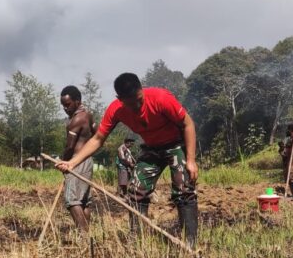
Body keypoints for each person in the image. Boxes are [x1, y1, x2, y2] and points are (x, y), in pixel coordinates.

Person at [56, 73, 199, 247]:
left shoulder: (161, 98)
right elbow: (98, 139)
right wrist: (72, 162)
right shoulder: (116, 109)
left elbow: (188, 124)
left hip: (175, 144)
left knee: (184, 189)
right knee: (136, 190)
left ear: (141, 90)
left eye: (139, 100)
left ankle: (190, 243)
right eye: (131, 103)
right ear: (120, 99)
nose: (137, 106)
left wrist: (191, 160)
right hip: (152, 148)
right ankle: (137, 242)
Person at [60, 85, 97, 230]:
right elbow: (97, 134)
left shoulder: (76, 120)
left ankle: (83, 235)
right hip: (87, 160)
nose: (65, 108)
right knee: (84, 200)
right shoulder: (88, 116)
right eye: (63, 106)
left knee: (72, 199)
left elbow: (70, 147)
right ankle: (86, 235)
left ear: (77, 101)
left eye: (68, 105)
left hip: (76, 161)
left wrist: (64, 162)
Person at [278, 124, 293, 199]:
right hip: (287, 161)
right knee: (289, 178)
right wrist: (281, 147)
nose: (288, 131)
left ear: (292, 130)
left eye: (289, 129)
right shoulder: (286, 139)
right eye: (288, 129)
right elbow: (283, 153)